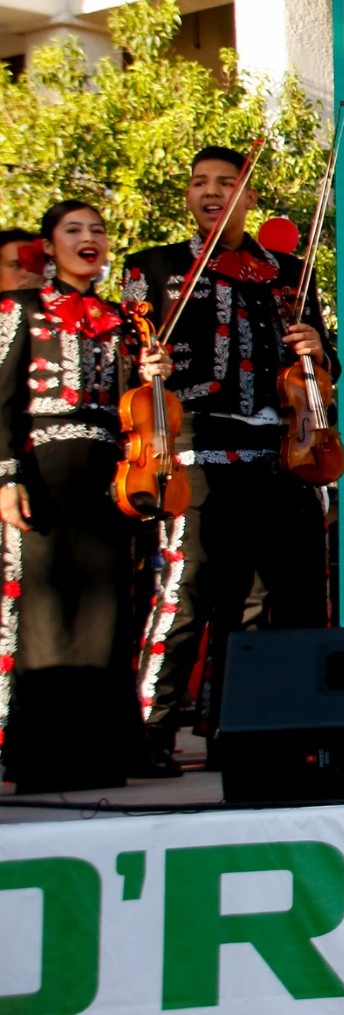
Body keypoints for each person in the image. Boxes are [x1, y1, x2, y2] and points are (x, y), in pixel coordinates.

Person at [123, 144, 336, 774]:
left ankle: (246, 731)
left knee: (268, 603)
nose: (211, 193)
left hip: (280, 454)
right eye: (199, 184)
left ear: (248, 196)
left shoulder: (289, 272)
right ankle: (151, 733)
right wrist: (146, 365)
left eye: (226, 183)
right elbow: (124, 354)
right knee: (187, 596)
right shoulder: (156, 267)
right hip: (196, 450)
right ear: (189, 197)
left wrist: (316, 349)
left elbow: (325, 372)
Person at [0, 202, 171, 792]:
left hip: (108, 473)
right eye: (73, 230)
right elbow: (1, 400)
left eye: (97, 229)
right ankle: (42, 759)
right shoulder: (19, 309)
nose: (88, 238)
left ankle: (101, 754)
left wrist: (151, 372)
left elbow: (134, 410)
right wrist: (6, 476)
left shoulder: (120, 320)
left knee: (106, 611)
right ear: (48, 247)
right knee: (46, 611)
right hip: (43, 469)